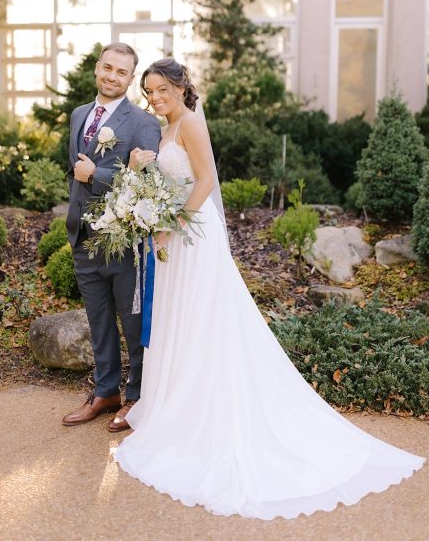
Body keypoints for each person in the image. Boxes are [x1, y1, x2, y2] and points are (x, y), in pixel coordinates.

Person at [113, 57, 424, 519]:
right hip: (175, 237)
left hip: (192, 236)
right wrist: (144, 175)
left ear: (181, 87)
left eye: (161, 90)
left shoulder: (191, 122)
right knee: (181, 320)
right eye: (150, 93)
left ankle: (202, 411)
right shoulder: (168, 127)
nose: (155, 99)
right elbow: (171, 180)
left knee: (202, 320)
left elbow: (206, 181)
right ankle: (174, 402)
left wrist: (171, 223)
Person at [61, 42, 161, 432]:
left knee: (132, 325)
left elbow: (149, 183)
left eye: (122, 72)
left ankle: (135, 397)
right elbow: (74, 168)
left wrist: (97, 176)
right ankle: (105, 392)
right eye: (108, 68)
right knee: (98, 320)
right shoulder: (79, 115)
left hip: (124, 241)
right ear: (97, 68)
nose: (112, 76)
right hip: (84, 236)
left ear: (130, 79)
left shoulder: (143, 123)